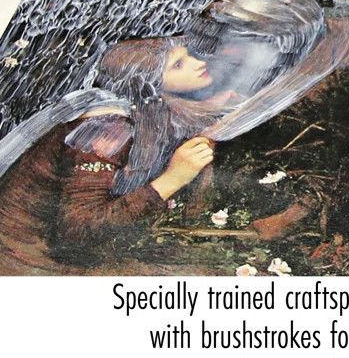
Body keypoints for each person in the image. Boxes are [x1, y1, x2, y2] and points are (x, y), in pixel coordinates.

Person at [0, 37, 225, 274]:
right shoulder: (105, 129)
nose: (198, 63)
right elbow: (77, 229)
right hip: (31, 258)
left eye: (188, 55)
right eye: (177, 65)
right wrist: (173, 179)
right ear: (145, 81)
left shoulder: (144, 105)